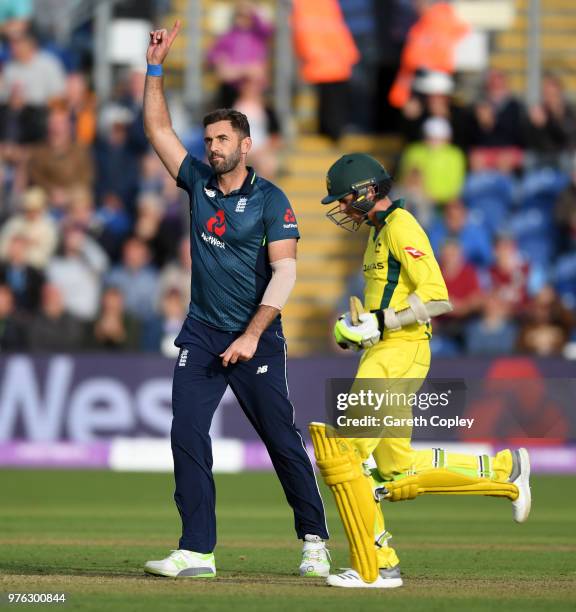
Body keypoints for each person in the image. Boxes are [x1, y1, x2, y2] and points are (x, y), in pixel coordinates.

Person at [141, 21, 329, 579]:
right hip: (201, 332)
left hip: (257, 336)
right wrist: (155, 67)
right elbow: (157, 127)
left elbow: (287, 273)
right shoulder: (195, 181)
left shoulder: (272, 200)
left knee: (280, 439)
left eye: (223, 140)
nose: (212, 147)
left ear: (246, 145)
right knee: (186, 434)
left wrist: (251, 334)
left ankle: (315, 538)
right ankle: (197, 551)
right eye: (210, 140)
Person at [310, 153, 532, 588]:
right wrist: (359, 329)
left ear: (368, 191)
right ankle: (504, 471)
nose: (344, 209)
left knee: (347, 454)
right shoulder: (377, 233)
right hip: (385, 348)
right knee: (396, 468)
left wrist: (382, 323)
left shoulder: (402, 226)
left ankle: (378, 563)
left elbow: (438, 298)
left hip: (402, 349)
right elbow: (386, 306)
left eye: (346, 199)